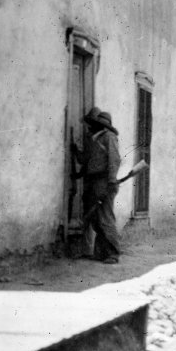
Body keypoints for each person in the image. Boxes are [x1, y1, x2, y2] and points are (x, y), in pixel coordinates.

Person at [72, 107, 122, 264]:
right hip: (92, 182)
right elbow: (84, 161)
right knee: (95, 219)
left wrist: (112, 181)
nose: (90, 126)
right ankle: (101, 253)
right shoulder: (93, 139)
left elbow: (114, 160)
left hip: (104, 182)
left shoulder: (109, 137)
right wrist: (75, 151)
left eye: (94, 123)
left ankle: (113, 253)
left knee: (106, 218)